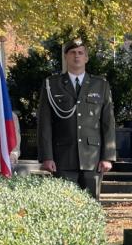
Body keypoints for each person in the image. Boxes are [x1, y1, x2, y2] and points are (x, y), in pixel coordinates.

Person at [37, 37, 116, 199]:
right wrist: (47, 156)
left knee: (91, 205)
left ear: (86, 58)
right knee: (64, 206)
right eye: (72, 52)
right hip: (62, 157)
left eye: (80, 53)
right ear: (66, 57)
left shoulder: (100, 85)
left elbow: (108, 123)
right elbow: (44, 123)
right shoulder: (52, 85)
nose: (77, 56)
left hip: (92, 159)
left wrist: (107, 157)